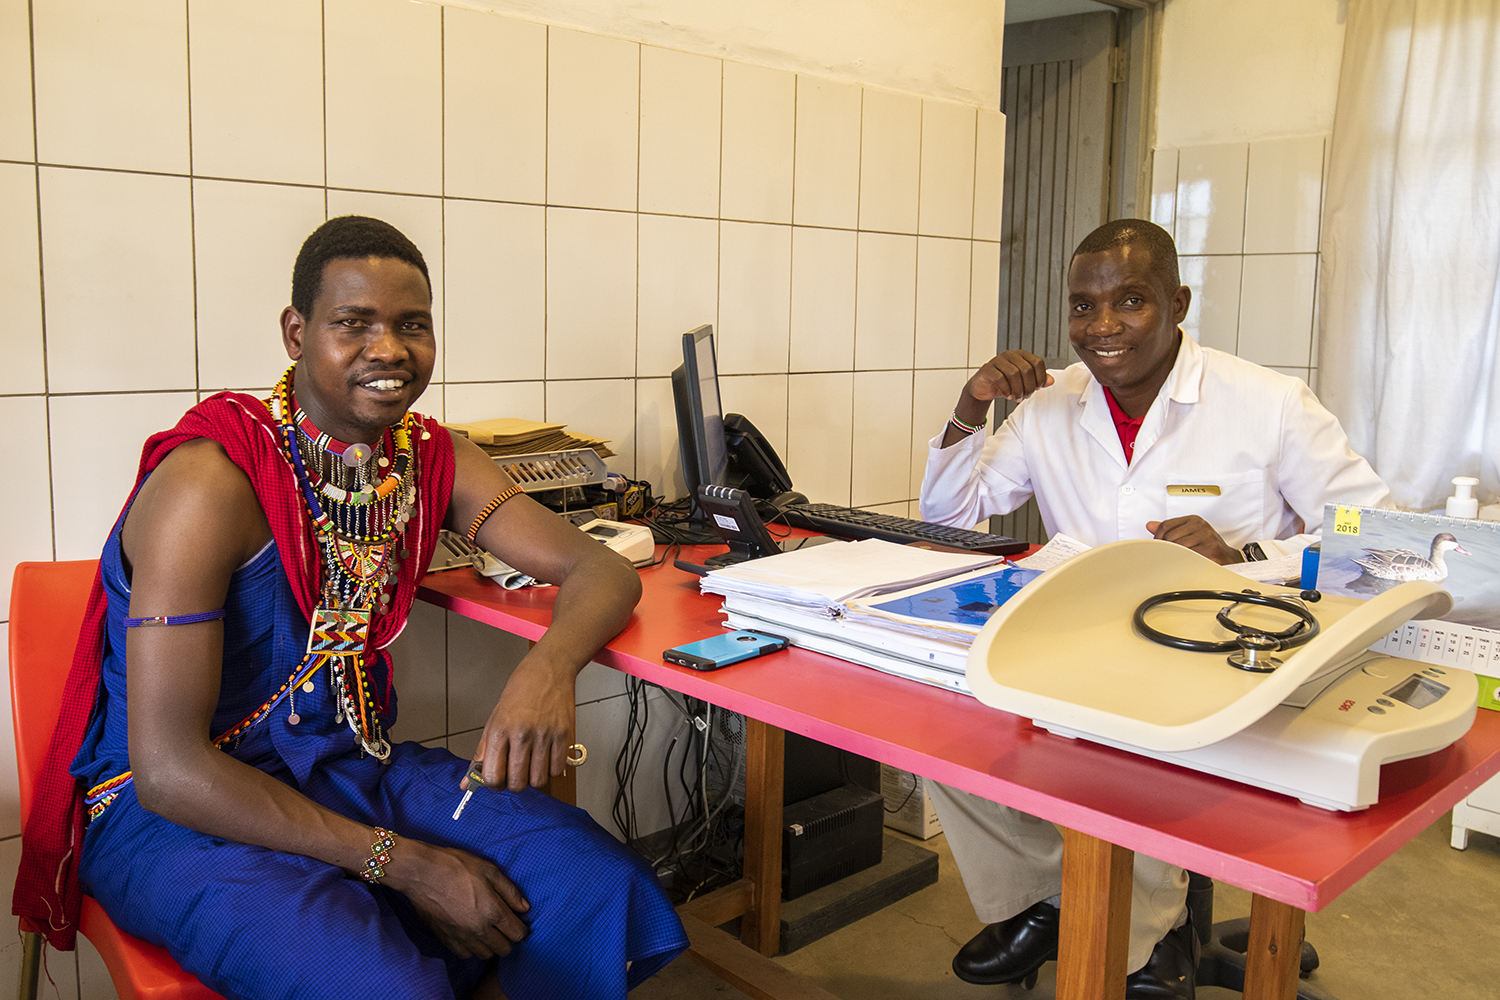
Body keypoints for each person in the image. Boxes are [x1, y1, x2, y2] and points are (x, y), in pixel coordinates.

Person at [13, 216, 687, 1000]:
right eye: (353, 324)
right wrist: (408, 865)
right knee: (383, 983)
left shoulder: (427, 457)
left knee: (588, 886)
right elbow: (169, 770)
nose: (390, 350)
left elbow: (600, 569)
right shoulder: (209, 487)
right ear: (296, 333)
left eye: (412, 326)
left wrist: (548, 667)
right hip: (175, 813)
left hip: (342, 767)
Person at [919, 219, 1391, 998]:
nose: (1101, 328)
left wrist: (1242, 556)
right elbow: (949, 521)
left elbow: (1370, 541)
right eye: (1082, 307)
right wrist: (973, 405)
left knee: (1129, 753)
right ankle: (1062, 902)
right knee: (942, 725)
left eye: (1129, 301)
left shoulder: (1267, 404)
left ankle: (1115, 926)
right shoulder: (1049, 405)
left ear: (1177, 303)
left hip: (1220, 658)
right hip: (1077, 647)